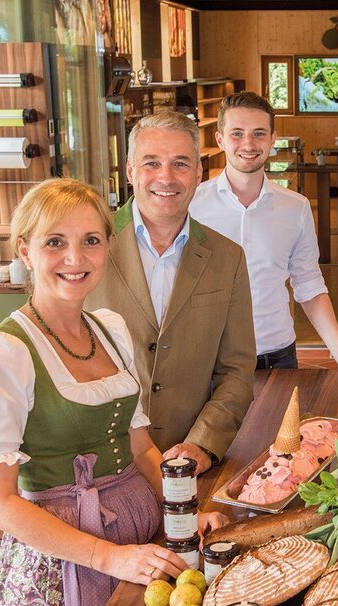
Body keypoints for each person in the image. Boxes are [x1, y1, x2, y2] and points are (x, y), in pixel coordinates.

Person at [0, 178, 228, 606]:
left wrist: (186, 516)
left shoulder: (109, 330)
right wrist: (109, 556)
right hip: (65, 560)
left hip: (141, 536)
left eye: (91, 241)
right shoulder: (1, 353)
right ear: (25, 251)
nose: (75, 259)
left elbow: (140, 451)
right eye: (55, 242)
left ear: (107, 248)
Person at [87, 111, 256, 475]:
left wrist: (203, 443)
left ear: (198, 173)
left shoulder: (227, 258)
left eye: (180, 164)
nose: (166, 178)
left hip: (184, 460)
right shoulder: (86, 248)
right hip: (95, 460)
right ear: (131, 171)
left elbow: (237, 369)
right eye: (152, 163)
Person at [189, 91, 338, 372]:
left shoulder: (296, 207)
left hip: (276, 356)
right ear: (220, 139)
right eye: (237, 134)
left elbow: (310, 286)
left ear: (272, 139)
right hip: (207, 359)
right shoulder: (192, 205)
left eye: (258, 134)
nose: (248, 144)